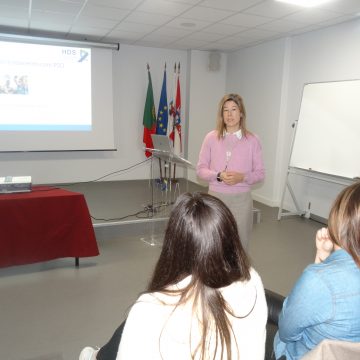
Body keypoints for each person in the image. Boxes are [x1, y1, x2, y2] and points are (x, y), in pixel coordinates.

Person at [80, 192, 267, 360]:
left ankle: (96, 357)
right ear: (230, 237)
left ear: (173, 245)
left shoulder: (151, 307)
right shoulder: (252, 279)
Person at [274, 182, 360, 360]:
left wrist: (317, 267)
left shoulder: (318, 280)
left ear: (339, 220)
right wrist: (322, 258)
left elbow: (286, 331)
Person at [196, 93, 265, 250]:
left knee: (240, 245)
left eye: (234, 109)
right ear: (221, 114)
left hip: (242, 201)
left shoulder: (253, 140)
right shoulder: (211, 138)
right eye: (225, 110)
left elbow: (260, 173)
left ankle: (239, 275)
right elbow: (200, 169)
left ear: (241, 113)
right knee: (214, 245)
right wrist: (218, 175)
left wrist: (242, 177)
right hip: (216, 199)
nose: (229, 114)